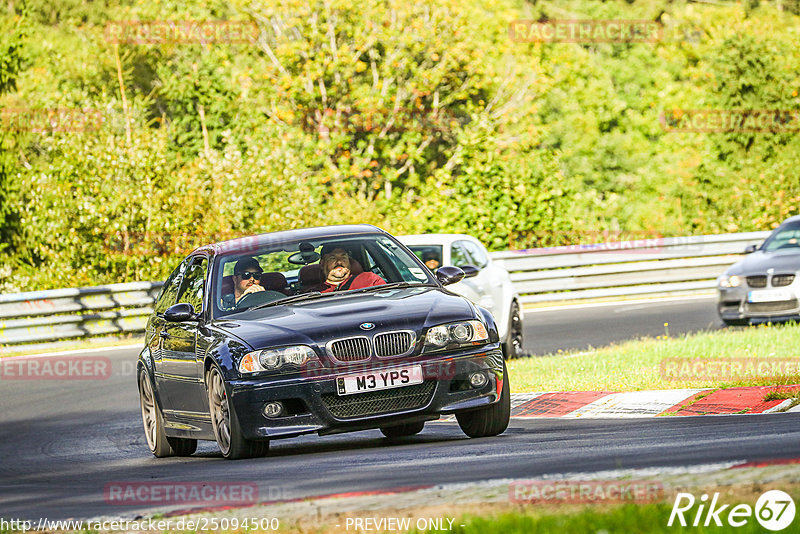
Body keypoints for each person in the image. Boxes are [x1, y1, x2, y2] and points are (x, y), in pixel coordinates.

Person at [319, 246, 385, 292]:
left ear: (349, 261)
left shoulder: (370, 279)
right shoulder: (314, 292)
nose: (339, 262)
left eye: (343, 257)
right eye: (332, 258)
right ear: (322, 263)